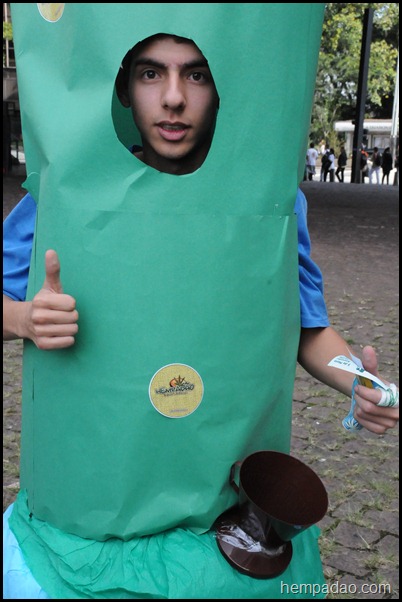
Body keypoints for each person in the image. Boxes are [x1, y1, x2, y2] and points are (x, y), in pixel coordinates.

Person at [3, 32, 399, 600]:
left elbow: (306, 328)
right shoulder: (64, 194)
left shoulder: (272, 203)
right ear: (123, 87)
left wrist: (361, 383)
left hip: (226, 512)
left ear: (221, 90)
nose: (171, 98)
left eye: (195, 74)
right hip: (97, 509)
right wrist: (24, 321)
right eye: (149, 74)